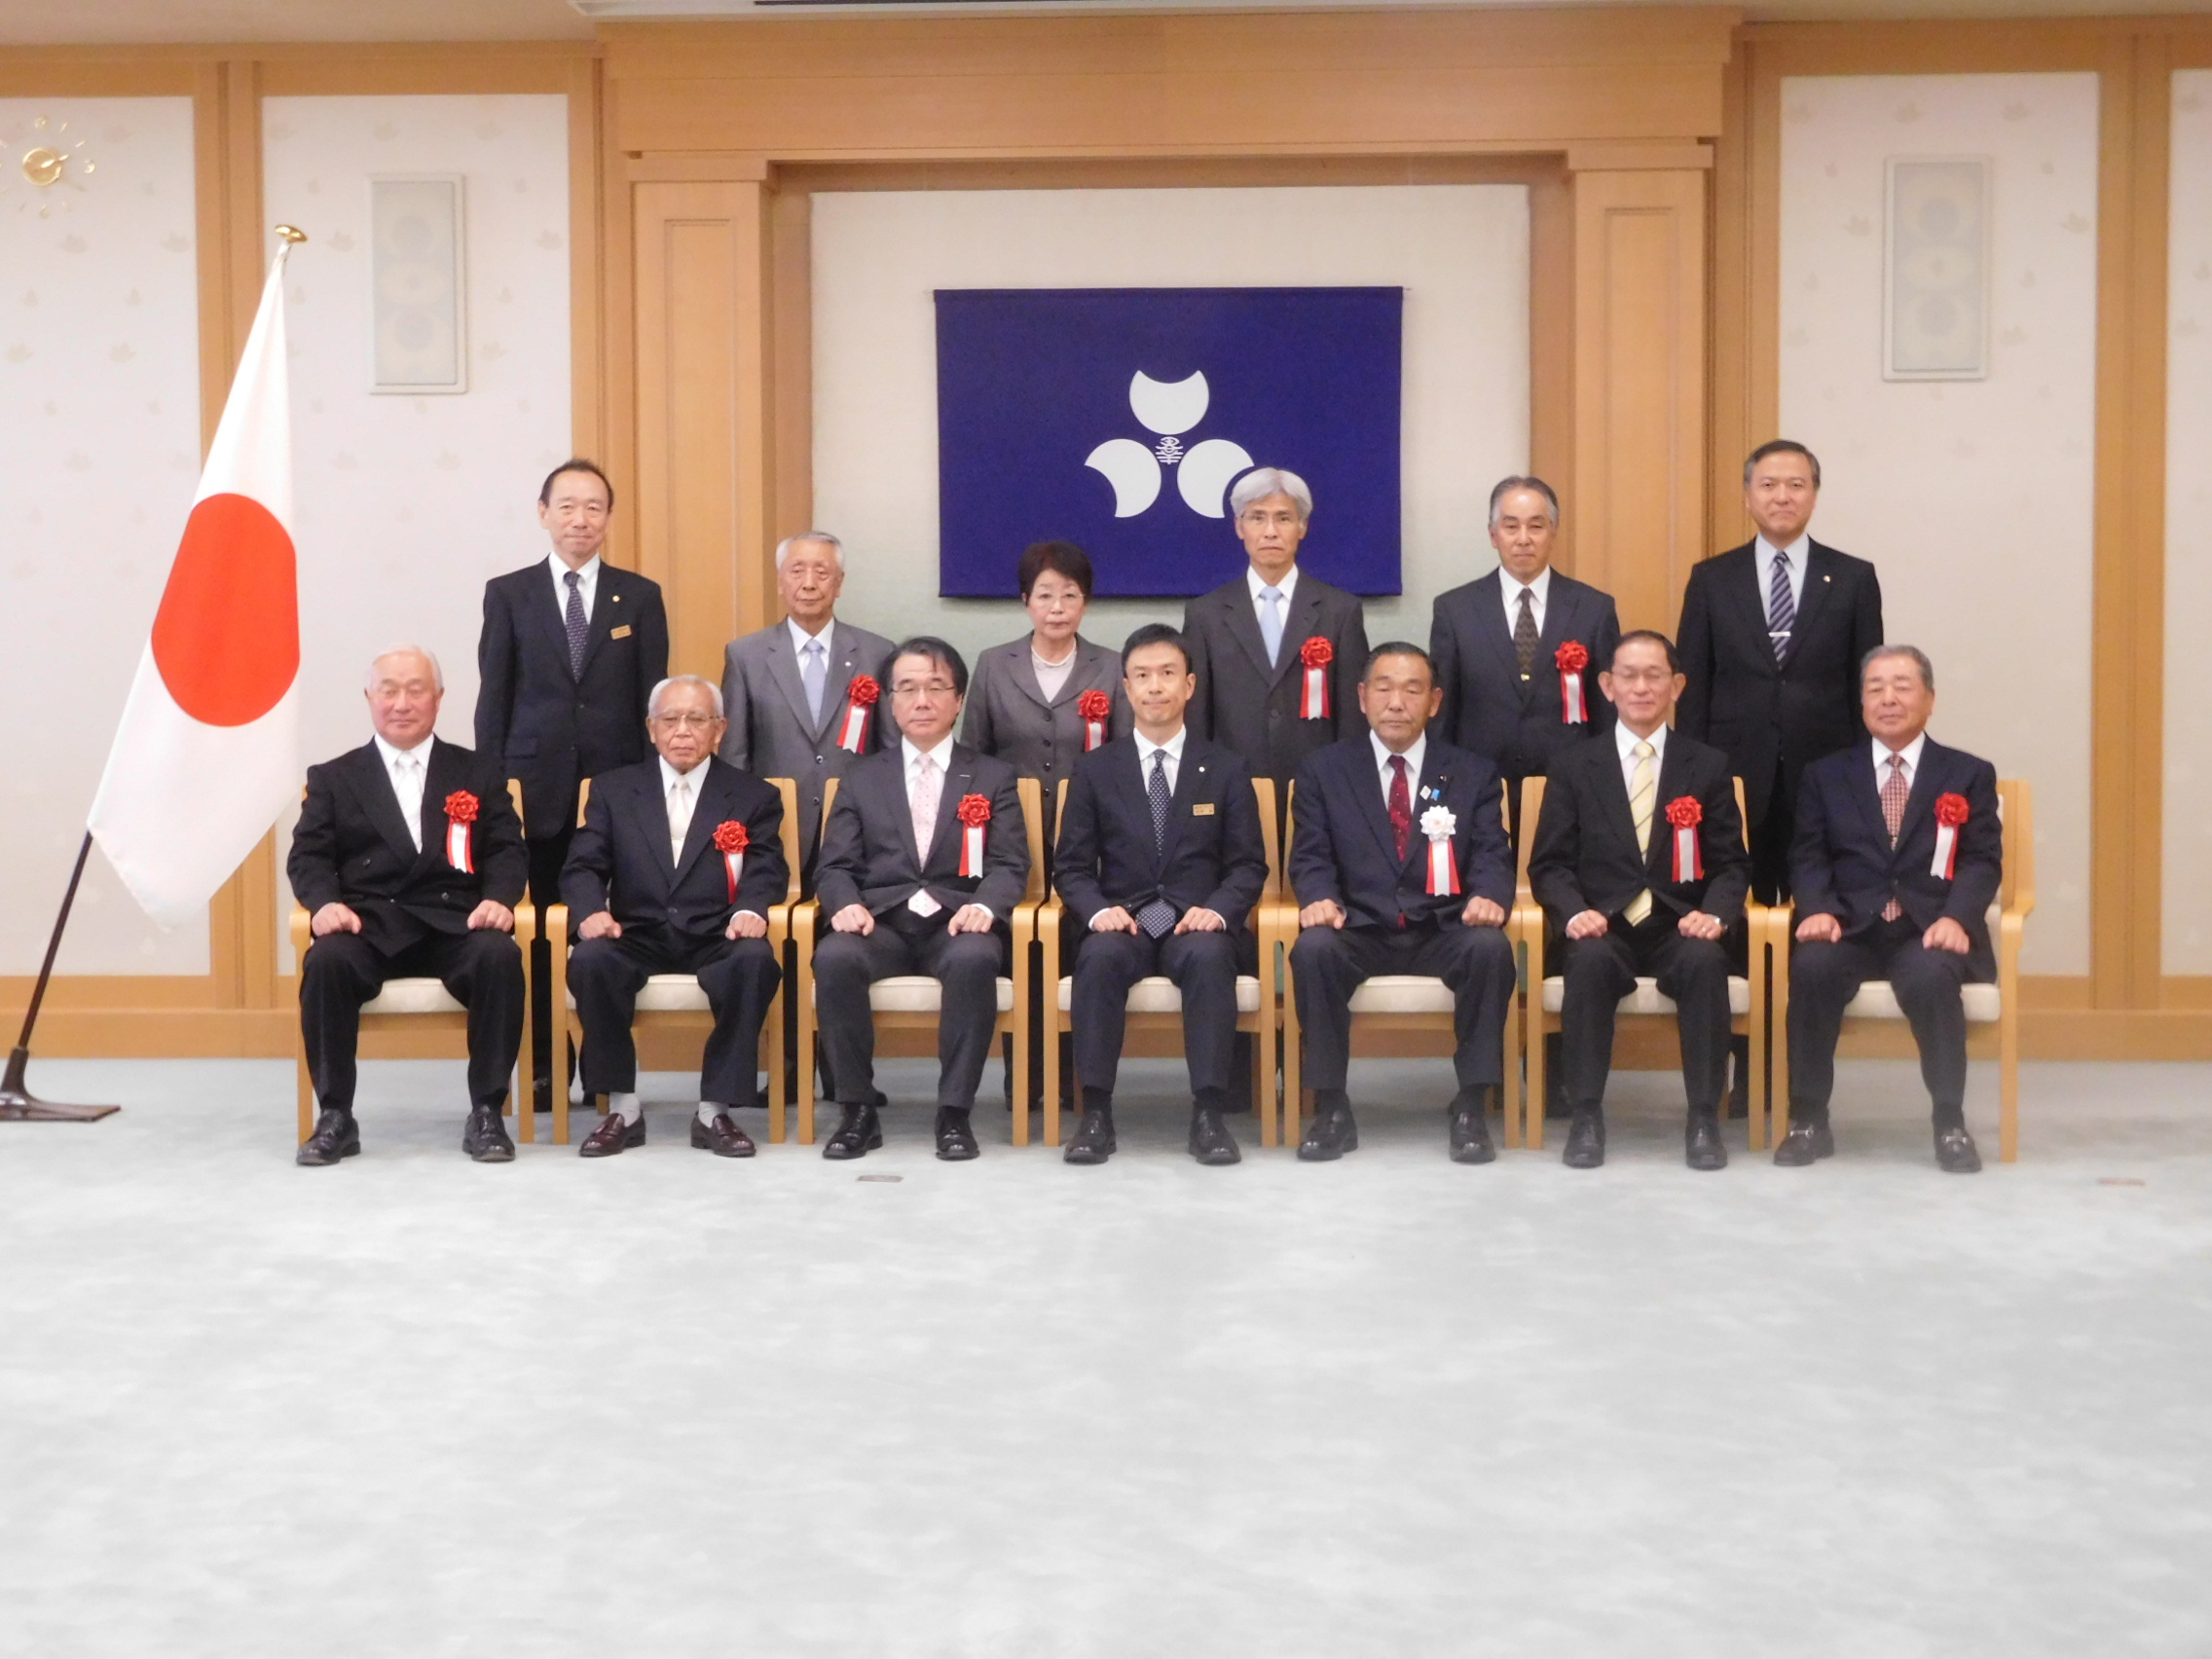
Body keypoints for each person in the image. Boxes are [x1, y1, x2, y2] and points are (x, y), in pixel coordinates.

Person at [475, 460, 669, 1114]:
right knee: (536, 935)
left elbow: (652, 706)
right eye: (567, 506)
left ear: (609, 518)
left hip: (618, 793)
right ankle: (542, 1065)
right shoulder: (509, 594)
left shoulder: (639, 596)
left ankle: (602, 1067)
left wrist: (650, 792)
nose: (580, 519)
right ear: (543, 513)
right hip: (534, 793)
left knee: (605, 933)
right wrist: (492, 789)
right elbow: (494, 699)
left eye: (593, 507)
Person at [290, 647, 528, 1166]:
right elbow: (308, 855)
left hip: (455, 924)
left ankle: (487, 1111)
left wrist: (499, 899)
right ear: (369, 698)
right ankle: (335, 1115)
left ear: (438, 699)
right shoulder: (334, 777)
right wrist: (324, 904)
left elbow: (507, 848)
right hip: (370, 925)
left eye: (416, 690)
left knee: (500, 956)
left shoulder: (478, 771)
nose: (402, 703)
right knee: (326, 961)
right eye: (389, 690)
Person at [1528, 631, 1751, 1170]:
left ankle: (1703, 1118)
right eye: (1629, 676)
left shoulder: (1708, 765)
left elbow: (1732, 864)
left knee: (1705, 962)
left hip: (1681, 925)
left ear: (1677, 686)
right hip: (1602, 925)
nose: (1642, 687)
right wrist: (1573, 912)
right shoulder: (1574, 765)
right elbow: (1549, 864)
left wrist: (1715, 914)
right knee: (1587, 964)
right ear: (1607, 686)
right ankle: (1585, 1116)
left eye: (1655, 675)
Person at [1286, 643, 1517, 1163]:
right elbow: (1310, 854)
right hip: (1358, 926)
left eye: (1412, 690)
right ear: (1362, 697)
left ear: (1433, 702)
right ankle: (1331, 1107)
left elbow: (1491, 851)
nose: (1397, 702)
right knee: (1313, 950)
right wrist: (1319, 898)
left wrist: (1488, 895)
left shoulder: (1471, 772)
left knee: (1490, 949)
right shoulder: (1324, 770)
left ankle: (1471, 1105)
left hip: (1442, 927)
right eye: (1384, 688)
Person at [1778, 645, 2002, 1173]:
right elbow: (1808, 854)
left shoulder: (1968, 773)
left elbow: (1982, 860)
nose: (1888, 698)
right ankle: (1808, 1119)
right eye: (1875, 687)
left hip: (1928, 930)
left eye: (1902, 686)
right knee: (1811, 968)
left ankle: (1949, 1123)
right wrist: (1817, 908)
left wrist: (1957, 917)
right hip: (1849, 928)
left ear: (1930, 699)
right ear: (1861, 703)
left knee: (1931, 979)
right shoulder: (1826, 775)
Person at [1052, 623, 1269, 1167]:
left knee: (1210, 957)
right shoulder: (1095, 770)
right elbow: (1071, 866)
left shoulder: (1225, 768)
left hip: (1194, 921)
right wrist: (1097, 912)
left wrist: (1218, 911)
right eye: (1143, 676)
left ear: (1189, 685)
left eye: (1168, 674)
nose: (1155, 686)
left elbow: (1248, 864)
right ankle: (1095, 1113)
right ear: (1125, 688)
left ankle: (1209, 1114)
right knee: (1098, 959)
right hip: (1121, 920)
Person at [811, 638, 1031, 1161]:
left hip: (957, 923)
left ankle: (954, 1113)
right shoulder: (861, 776)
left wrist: (986, 906)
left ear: (958, 699)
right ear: (891, 702)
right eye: (907, 689)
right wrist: (844, 903)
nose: (922, 701)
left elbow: (1009, 863)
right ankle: (857, 1109)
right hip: (880, 924)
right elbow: (834, 864)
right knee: (835, 957)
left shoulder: (993, 776)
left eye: (936, 687)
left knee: (976, 960)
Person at [563, 676, 788, 1160]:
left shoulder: (753, 795)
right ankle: (621, 1108)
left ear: (719, 729)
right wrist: (590, 912)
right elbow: (583, 865)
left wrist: (751, 908)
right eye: (670, 719)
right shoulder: (613, 790)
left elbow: (767, 866)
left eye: (696, 719)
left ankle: (714, 1111)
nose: (682, 730)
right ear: (651, 728)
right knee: (590, 959)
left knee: (754, 961)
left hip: (718, 931)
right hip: (636, 930)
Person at [1677, 441, 1883, 903]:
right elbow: (1693, 684)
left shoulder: (1853, 578)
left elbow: (1867, 683)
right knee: (1734, 896)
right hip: (1734, 766)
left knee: (1817, 896)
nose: (1782, 496)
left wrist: (1862, 766)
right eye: (1768, 485)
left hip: (1826, 765)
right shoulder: (1711, 579)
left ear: (1814, 495)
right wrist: (1692, 770)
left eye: (1796, 485)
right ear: (1747, 496)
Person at [1429, 475, 1620, 840]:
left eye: (1536, 526)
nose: (1523, 538)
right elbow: (1443, 712)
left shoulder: (1593, 609)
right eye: (1511, 526)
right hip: (1479, 786)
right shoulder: (1455, 610)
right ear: (1493, 535)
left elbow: (1607, 711)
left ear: (1553, 532)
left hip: (1569, 787)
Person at [719, 531, 896, 882]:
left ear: (839, 583)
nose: (809, 583)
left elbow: (890, 753)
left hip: (858, 827)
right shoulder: (746, 656)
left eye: (822, 572)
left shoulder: (877, 653)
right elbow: (734, 756)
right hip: (775, 826)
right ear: (780, 581)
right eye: (797, 571)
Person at [1184, 467, 1369, 793]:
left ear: (1303, 526)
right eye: (1257, 518)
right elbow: (1197, 718)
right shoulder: (1205, 614)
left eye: (1283, 518)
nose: (1270, 531)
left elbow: (1353, 717)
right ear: (1239, 527)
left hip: (1319, 786)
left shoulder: (1341, 611)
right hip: (1231, 786)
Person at [961, 539, 1130, 786]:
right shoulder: (993, 665)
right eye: (1045, 596)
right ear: (1026, 601)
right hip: (1010, 807)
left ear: (1085, 603)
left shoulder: (1112, 667)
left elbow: (1124, 758)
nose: (1057, 608)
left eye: (1069, 595)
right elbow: (973, 756)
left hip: (1089, 808)